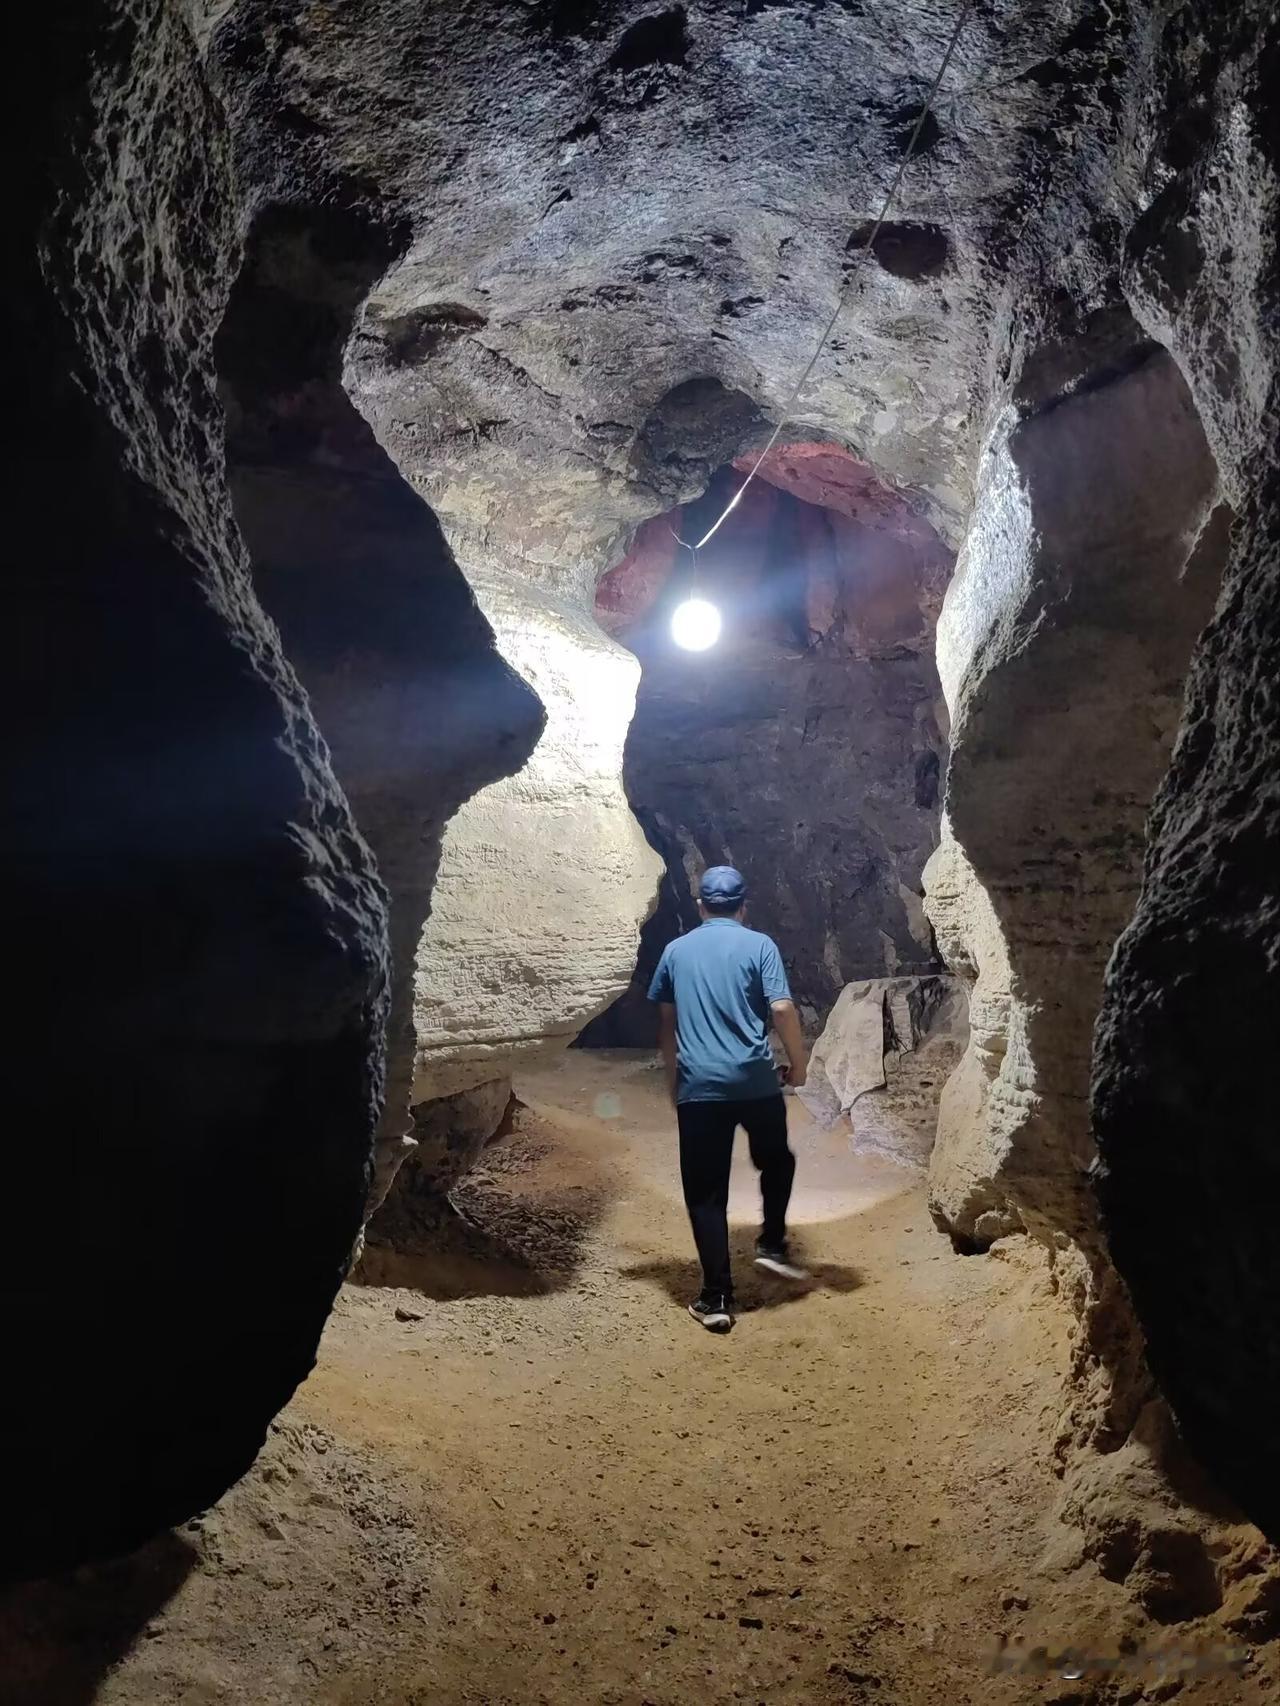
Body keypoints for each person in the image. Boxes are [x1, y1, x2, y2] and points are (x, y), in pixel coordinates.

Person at [647, 865, 810, 1332]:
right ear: (743, 907)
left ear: (701, 905)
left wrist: (673, 1079)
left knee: (705, 1192)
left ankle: (716, 1297)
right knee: (777, 1160)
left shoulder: (675, 951)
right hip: (756, 1082)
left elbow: (667, 1023)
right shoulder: (760, 945)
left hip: (700, 1088)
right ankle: (772, 1242)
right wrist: (798, 1064)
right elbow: (782, 1008)